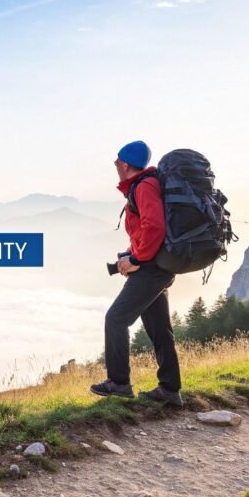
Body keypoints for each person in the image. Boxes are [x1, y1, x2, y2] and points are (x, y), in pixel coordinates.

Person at [89, 140, 183, 406]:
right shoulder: (145, 185)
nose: (116, 166)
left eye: (117, 162)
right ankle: (170, 390)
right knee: (159, 329)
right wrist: (130, 254)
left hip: (151, 269)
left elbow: (154, 227)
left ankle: (118, 383)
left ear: (126, 164)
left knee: (116, 319)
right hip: (158, 266)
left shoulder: (144, 187)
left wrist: (136, 260)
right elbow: (146, 229)